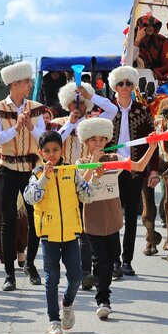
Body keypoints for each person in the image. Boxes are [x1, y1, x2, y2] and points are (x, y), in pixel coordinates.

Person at [76, 117, 158, 319]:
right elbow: (81, 187)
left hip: (113, 219)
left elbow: (138, 167)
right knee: (100, 261)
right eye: (93, 139)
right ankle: (103, 299)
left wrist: (152, 146)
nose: (98, 143)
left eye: (102, 139)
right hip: (93, 220)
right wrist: (94, 163)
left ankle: (105, 290)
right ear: (85, 142)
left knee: (113, 257)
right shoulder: (81, 163)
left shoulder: (114, 159)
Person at [23, 130, 99, 334]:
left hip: (71, 234)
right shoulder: (37, 174)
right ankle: (53, 321)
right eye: (47, 151)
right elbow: (31, 198)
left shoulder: (71, 171)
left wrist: (96, 177)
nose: (52, 154)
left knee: (75, 278)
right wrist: (45, 179)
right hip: (49, 235)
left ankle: (67, 303)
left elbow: (87, 195)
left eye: (55, 150)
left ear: (61, 150)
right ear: (41, 153)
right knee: (51, 279)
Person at [50, 81, 118, 290]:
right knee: (74, 228)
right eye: (73, 103)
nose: (77, 107)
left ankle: (87, 271)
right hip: (67, 179)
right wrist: (70, 123)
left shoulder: (94, 122)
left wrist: (91, 95)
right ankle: (78, 270)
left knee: (87, 228)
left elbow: (113, 109)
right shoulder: (58, 123)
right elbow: (52, 142)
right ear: (66, 104)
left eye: (80, 102)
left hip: (90, 179)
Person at [0, 61, 46, 290]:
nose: (29, 86)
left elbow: (44, 137)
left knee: (34, 219)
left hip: (31, 169)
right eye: (25, 82)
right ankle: (9, 273)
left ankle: (30, 264)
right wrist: (16, 129)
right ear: (14, 84)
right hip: (8, 169)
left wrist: (30, 127)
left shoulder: (36, 107)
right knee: (7, 220)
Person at [107, 66, 159, 278]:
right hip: (111, 169)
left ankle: (126, 261)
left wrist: (153, 170)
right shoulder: (107, 110)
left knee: (130, 217)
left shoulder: (143, 110)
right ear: (115, 87)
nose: (125, 87)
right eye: (121, 83)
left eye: (129, 83)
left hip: (135, 169)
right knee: (112, 217)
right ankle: (113, 260)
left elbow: (152, 143)